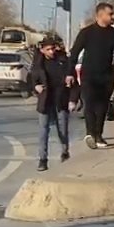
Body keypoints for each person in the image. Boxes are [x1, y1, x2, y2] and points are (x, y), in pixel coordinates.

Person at [68, 2, 114, 149]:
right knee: (89, 103)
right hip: (89, 75)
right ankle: (90, 134)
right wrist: (70, 73)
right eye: (110, 14)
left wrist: (113, 72)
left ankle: (99, 135)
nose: (113, 16)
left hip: (106, 77)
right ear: (100, 15)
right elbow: (74, 53)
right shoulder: (87, 33)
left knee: (102, 107)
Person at [30, 38, 79, 172]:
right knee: (43, 131)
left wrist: (73, 100)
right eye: (48, 49)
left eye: (53, 48)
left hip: (61, 101)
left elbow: (74, 83)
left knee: (62, 130)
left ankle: (65, 152)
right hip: (45, 102)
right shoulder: (38, 63)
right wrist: (36, 87)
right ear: (42, 50)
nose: (51, 51)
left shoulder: (64, 61)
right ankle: (43, 159)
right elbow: (32, 80)